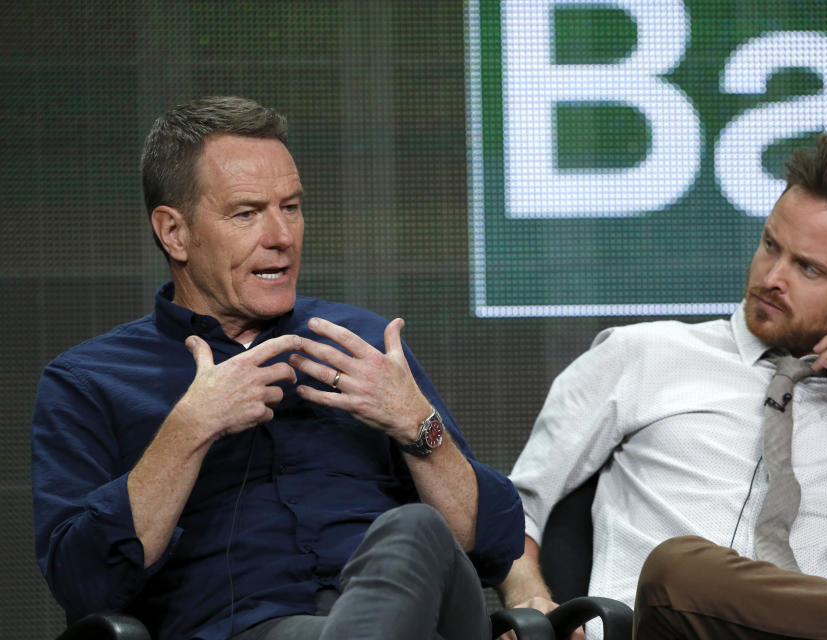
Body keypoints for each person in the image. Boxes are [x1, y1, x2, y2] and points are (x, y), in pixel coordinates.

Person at [32, 96, 524, 640]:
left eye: (290, 207)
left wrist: (418, 427)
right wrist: (188, 432)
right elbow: (85, 586)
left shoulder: (360, 344)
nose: (282, 236)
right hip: (246, 630)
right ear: (174, 232)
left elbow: (492, 551)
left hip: (424, 612)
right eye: (247, 214)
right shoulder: (90, 381)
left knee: (414, 531)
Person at [499, 132, 827, 639]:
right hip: (671, 625)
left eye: (807, 268)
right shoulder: (642, 353)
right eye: (770, 245)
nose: (772, 276)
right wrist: (533, 603)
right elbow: (517, 513)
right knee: (679, 568)